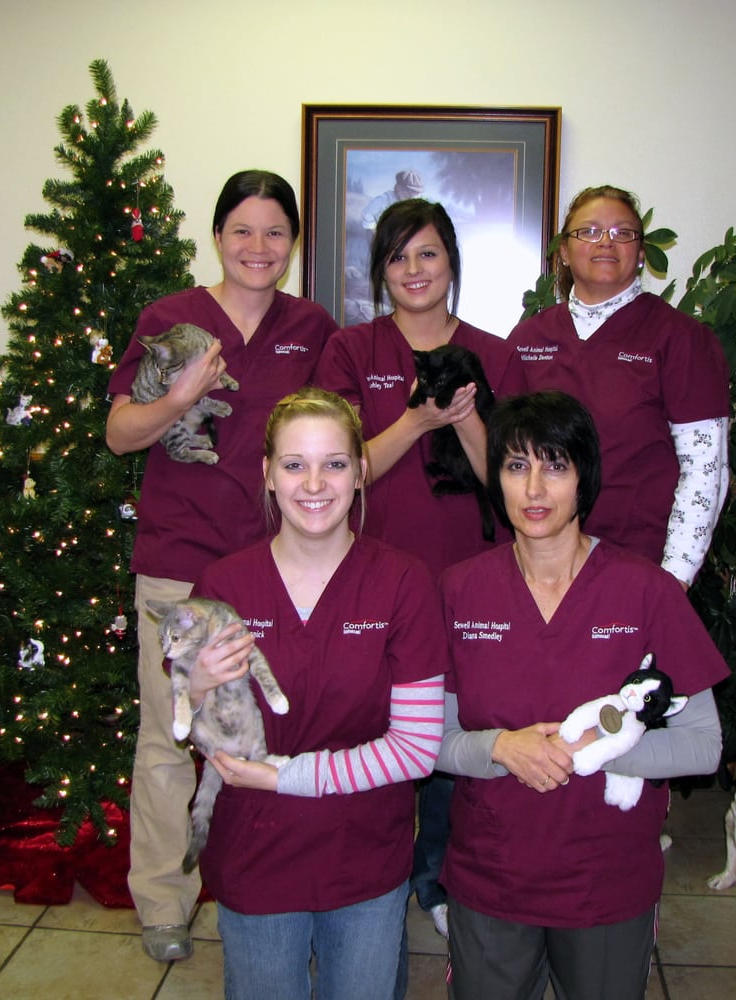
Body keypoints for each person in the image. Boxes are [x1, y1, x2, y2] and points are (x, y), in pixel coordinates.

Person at [105, 170, 336, 962]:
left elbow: (331, 439)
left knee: (274, 724)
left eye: (275, 232)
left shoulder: (312, 327)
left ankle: (265, 882)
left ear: (292, 243)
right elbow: (120, 434)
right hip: (180, 563)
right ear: (217, 237)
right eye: (242, 230)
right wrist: (180, 398)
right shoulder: (169, 320)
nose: (258, 247)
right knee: (171, 734)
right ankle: (163, 904)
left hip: (278, 568)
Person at [436, 391, 729, 1000]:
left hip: (607, 883)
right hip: (492, 879)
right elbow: (428, 739)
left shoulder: (646, 592)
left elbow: (704, 746)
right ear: (496, 477)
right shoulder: (460, 590)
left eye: (556, 466)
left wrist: (590, 750)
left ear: (584, 477)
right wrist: (500, 748)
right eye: (517, 466)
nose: (534, 488)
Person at [315, 198, 527, 955]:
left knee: (445, 733)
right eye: (398, 256)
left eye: (428, 253)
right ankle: (362, 878)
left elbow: (513, 485)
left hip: (470, 578)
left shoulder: (494, 354)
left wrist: (465, 418)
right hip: (371, 578)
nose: (414, 270)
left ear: (451, 263)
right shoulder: (350, 349)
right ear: (380, 271)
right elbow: (340, 471)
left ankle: (435, 879)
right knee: (366, 728)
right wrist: (415, 419)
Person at [186, 387, 447, 1000]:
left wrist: (283, 777)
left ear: (360, 472)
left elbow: (416, 751)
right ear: (267, 474)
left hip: (363, 859)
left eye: (333, 464)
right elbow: (204, 738)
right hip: (254, 853)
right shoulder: (224, 585)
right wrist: (195, 691)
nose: (313, 484)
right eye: (293, 464)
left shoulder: (403, 583)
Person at [506, 185, 730, 590]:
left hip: (639, 563)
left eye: (622, 233)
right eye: (589, 231)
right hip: (537, 568)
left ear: (641, 253)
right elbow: (505, 459)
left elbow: (705, 469)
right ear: (564, 252)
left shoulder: (680, 339)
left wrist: (673, 582)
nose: (606, 242)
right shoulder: (526, 340)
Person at [360, 169, 425, 232]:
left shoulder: (413, 204)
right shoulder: (384, 200)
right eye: (407, 192)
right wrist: (375, 231)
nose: (410, 196)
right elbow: (366, 214)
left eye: (413, 193)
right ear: (398, 187)